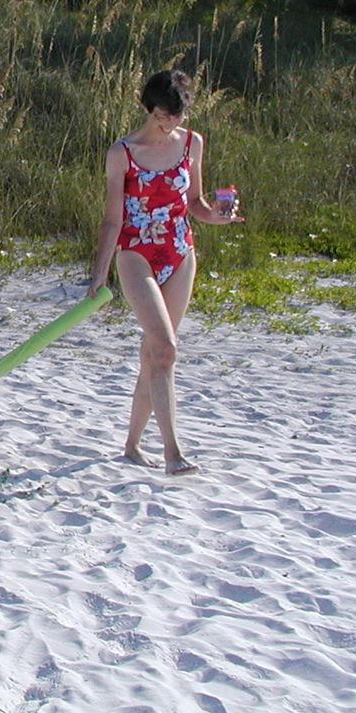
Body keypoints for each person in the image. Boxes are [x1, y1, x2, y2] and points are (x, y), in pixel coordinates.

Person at [86, 70, 241, 476]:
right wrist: (98, 275)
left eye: (176, 115)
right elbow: (111, 218)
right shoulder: (123, 152)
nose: (170, 122)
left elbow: (196, 202)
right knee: (166, 347)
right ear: (148, 108)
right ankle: (173, 454)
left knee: (156, 353)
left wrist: (219, 217)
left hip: (180, 251)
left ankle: (133, 446)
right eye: (162, 114)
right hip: (136, 253)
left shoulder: (192, 143)